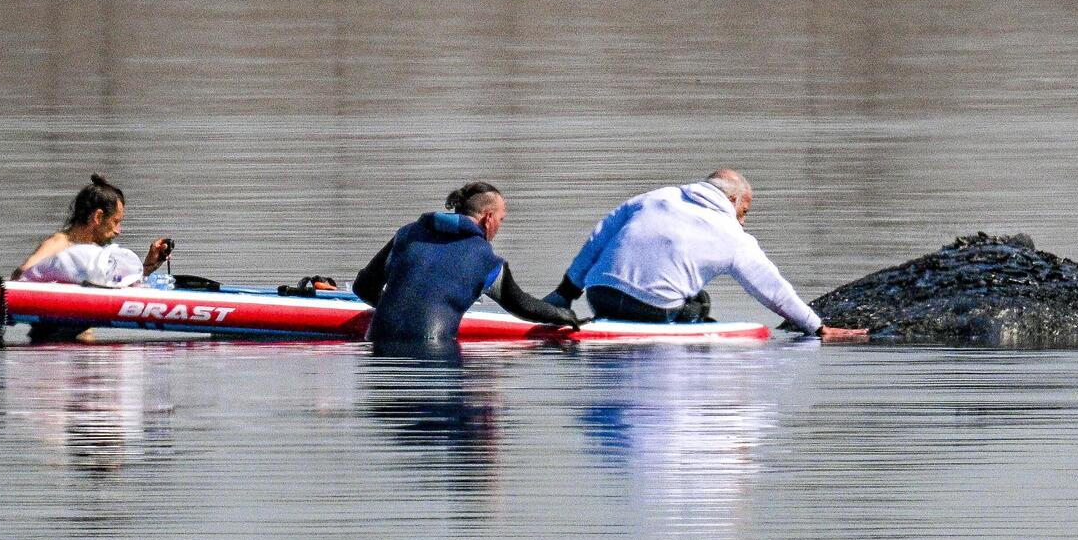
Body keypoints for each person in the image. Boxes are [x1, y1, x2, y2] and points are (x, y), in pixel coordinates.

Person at [547, 168, 862, 339]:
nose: (742, 221)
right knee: (700, 302)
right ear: (733, 200)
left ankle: (603, 318)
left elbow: (599, 236)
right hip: (650, 310)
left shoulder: (656, 197)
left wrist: (566, 293)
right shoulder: (732, 235)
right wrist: (817, 327)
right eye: (744, 211)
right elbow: (772, 289)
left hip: (599, 293)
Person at [352, 181, 584, 349]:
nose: (499, 227)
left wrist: (399, 308)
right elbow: (523, 306)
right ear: (488, 218)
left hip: (378, 347)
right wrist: (562, 315)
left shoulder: (406, 235)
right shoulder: (487, 261)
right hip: (433, 357)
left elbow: (362, 287)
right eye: (501, 220)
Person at [13, 173, 174, 287]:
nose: (118, 231)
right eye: (115, 222)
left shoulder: (92, 252)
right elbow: (21, 275)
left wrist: (148, 266)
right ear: (98, 217)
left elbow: (111, 282)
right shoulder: (59, 243)